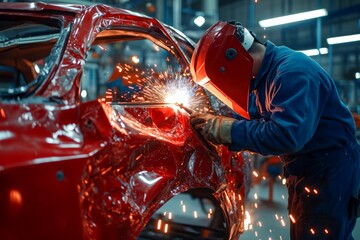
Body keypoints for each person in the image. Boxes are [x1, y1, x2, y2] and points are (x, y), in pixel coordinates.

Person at [190, 21, 360, 239]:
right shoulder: (264, 77)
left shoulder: (293, 73)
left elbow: (286, 135)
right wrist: (215, 118)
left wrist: (228, 130)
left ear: (232, 61)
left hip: (330, 172)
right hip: (309, 169)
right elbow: (252, 114)